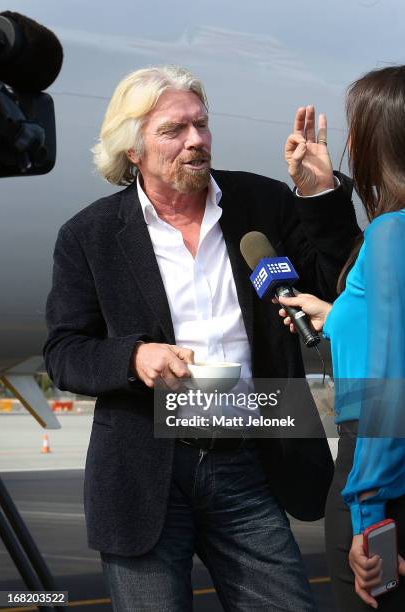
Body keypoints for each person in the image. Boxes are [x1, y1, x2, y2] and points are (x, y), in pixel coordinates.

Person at [43, 65, 359, 611]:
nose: (195, 141)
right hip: (146, 472)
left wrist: (320, 193)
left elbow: (340, 283)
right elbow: (65, 351)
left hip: (249, 461)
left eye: (201, 125)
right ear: (132, 149)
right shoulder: (89, 235)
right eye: (174, 130)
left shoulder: (262, 205)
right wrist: (134, 357)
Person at [277, 65, 405, 611]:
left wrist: (369, 514)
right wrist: (340, 318)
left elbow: (389, 392)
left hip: (382, 481)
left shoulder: (391, 234)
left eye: (357, 127)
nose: (350, 142)